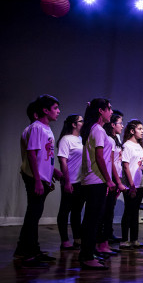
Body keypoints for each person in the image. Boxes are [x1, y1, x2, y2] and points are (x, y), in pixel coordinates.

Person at [15, 95, 61, 268]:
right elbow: (32, 154)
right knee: (33, 215)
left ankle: (26, 249)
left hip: (42, 177)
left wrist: (53, 171)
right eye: (55, 108)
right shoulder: (36, 128)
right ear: (45, 110)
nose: (58, 111)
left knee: (34, 214)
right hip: (35, 177)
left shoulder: (46, 129)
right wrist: (37, 180)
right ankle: (30, 252)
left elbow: (44, 155)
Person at [78, 98, 116, 270]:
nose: (111, 112)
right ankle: (86, 256)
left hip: (94, 180)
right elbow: (100, 157)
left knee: (93, 219)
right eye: (109, 109)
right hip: (96, 180)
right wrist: (108, 179)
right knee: (92, 220)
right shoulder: (98, 130)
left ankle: (89, 252)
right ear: (101, 111)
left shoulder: (94, 129)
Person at [97, 114, 127, 255]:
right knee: (105, 212)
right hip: (111, 178)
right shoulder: (108, 139)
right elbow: (111, 162)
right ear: (113, 125)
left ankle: (105, 241)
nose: (122, 125)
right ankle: (101, 244)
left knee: (109, 211)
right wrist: (117, 181)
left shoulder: (116, 139)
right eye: (120, 123)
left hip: (115, 177)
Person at [56, 114, 85, 251]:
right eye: (81, 121)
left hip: (81, 181)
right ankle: (64, 241)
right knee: (65, 210)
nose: (83, 123)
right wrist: (67, 182)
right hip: (70, 180)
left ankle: (77, 238)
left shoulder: (80, 139)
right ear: (74, 124)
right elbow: (63, 161)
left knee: (77, 211)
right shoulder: (66, 140)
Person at [120, 120, 143, 249]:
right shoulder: (127, 146)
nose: (142, 131)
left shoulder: (140, 146)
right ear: (132, 131)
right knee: (128, 211)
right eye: (139, 129)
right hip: (131, 185)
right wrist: (131, 185)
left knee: (135, 212)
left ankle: (134, 239)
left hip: (140, 184)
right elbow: (125, 166)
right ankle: (125, 239)